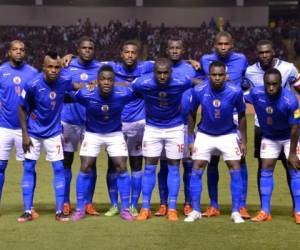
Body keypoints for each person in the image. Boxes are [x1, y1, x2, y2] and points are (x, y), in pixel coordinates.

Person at [18, 51, 84, 222]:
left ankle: (59, 211)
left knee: (59, 169)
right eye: (50, 67)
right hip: (33, 132)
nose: (54, 70)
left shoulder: (64, 81)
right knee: (28, 168)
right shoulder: (32, 84)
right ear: (43, 67)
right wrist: (25, 135)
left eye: (57, 67)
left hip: (54, 133)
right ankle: (27, 210)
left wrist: (88, 86)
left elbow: (74, 87)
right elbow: (22, 108)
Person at [70, 65, 135, 221]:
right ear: (97, 81)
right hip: (92, 133)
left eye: (110, 80)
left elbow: (139, 90)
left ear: (114, 81)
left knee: (122, 166)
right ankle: (80, 209)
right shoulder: (86, 94)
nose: (106, 82)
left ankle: (125, 209)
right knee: (85, 167)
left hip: (115, 133)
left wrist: (122, 84)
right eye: (103, 79)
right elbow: (67, 93)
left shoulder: (123, 93)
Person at [184, 61, 247, 223]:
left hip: (228, 134)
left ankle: (236, 211)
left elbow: (241, 115)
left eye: (220, 75)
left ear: (226, 76)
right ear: (209, 76)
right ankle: (196, 210)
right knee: (196, 168)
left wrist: (243, 140)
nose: (217, 78)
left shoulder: (235, 91)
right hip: (205, 134)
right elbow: (190, 114)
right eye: (214, 75)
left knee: (235, 168)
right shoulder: (199, 90)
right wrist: (190, 139)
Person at [198, 31, 249, 218]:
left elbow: (247, 79)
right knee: (212, 162)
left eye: (226, 44)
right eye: (220, 44)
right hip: (212, 114)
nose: (223, 47)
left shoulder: (241, 59)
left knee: (239, 161)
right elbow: (200, 80)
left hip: (234, 115)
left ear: (232, 45)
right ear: (214, 45)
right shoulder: (205, 60)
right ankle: (213, 205)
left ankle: (241, 205)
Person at [134, 58, 192, 221]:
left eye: (166, 73)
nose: (162, 76)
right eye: (159, 73)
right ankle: (145, 207)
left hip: (175, 128)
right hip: (152, 128)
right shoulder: (143, 83)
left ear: (171, 73)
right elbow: (131, 89)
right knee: (149, 168)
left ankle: (172, 208)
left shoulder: (182, 81)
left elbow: (195, 83)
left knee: (174, 167)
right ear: (153, 73)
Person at [244, 40, 300, 209]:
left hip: (287, 124)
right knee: (263, 166)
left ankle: (296, 208)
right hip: (262, 126)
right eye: (261, 53)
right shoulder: (250, 71)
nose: (264, 55)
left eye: (267, 52)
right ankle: (264, 208)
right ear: (256, 54)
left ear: (273, 52)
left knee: (292, 164)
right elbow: (246, 93)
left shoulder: (288, 68)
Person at [104, 40, 154, 217]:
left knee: (135, 164)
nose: (130, 55)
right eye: (127, 52)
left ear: (138, 55)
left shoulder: (147, 67)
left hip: (139, 124)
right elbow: (90, 65)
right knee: (113, 165)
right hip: (116, 124)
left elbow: (170, 64)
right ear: (121, 53)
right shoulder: (112, 67)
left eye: (133, 52)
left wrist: (191, 62)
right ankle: (114, 204)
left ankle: (133, 204)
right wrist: (69, 58)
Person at [155, 37, 197, 217]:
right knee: (164, 167)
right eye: (171, 48)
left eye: (177, 48)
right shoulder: (158, 67)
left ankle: (187, 203)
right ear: (167, 50)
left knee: (188, 166)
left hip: (186, 124)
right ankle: (164, 203)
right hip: (165, 125)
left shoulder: (191, 69)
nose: (174, 51)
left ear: (183, 49)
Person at [61, 36, 103, 216]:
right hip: (68, 121)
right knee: (66, 163)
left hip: (90, 124)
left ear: (94, 50)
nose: (87, 50)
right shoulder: (66, 66)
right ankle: (64, 201)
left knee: (90, 164)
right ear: (78, 49)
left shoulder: (101, 68)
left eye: (90, 48)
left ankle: (88, 203)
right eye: (84, 48)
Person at [0, 40, 38, 217]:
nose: (18, 52)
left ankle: (29, 207)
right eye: (15, 49)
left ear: (25, 53)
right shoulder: (1, 71)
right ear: (9, 52)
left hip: (26, 129)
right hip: (3, 127)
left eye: (22, 50)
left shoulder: (32, 73)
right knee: (0, 166)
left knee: (28, 166)